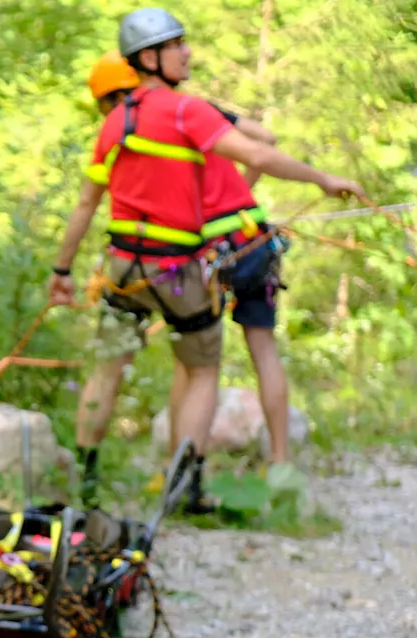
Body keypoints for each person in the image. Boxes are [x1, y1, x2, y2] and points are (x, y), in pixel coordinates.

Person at [48, 8, 366, 512]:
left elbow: (87, 203)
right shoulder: (186, 111)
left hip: (124, 268)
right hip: (176, 271)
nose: (187, 51)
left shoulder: (116, 121)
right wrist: (323, 180)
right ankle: (185, 489)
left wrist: (61, 272)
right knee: (200, 367)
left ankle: (85, 487)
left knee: (108, 368)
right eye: (177, 45)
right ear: (151, 57)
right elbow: (259, 154)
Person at [83, 50, 301, 512]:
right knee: (259, 350)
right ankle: (280, 467)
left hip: (205, 248)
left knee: (192, 359)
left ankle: (176, 472)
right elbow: (264, 137)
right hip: (250, 233)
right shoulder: (200, 116)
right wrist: (245, 187)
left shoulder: (148, 132)